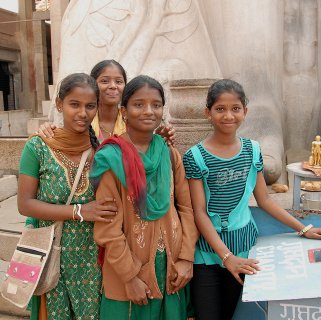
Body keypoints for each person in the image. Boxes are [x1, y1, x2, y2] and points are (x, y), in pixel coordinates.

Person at [182, 79, 321, 320]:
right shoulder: (195, 156)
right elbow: (200, 212)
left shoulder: (252, 150)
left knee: (228, 314)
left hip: (244, 250)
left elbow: (264, 200)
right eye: (220, 109)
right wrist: (227, 258)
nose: (228, 116)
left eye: (235, 108)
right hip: (208, 255)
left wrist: (304, 228)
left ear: (245, 112)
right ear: (208, 112)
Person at [90, 75, 198, 319]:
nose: (149, 111)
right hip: (129, 269)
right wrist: (129, 277)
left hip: (171, 268)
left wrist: (186, 259)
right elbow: (108, 227)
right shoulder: (110, 159)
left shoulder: (169, 154)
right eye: (139, 104)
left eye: (156, 105)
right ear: (124, 111)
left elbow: (186, 209)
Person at [17, 73, 118, 320]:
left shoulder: (102, 151)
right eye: (75, 104)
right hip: (51, 256)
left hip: (92, 261)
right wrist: (80, 211)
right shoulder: (38, 147)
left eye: (90, 106)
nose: (83, 113)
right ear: (60, 104)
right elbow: (25, 204)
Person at [39, 60, 176, 144]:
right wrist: (46, 129)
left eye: (119, 81)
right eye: (105, 81)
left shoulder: (133, 121)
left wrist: (158, 139)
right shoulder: (83, 120)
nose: (113, 86)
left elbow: (143, 148)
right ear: (92, 85)